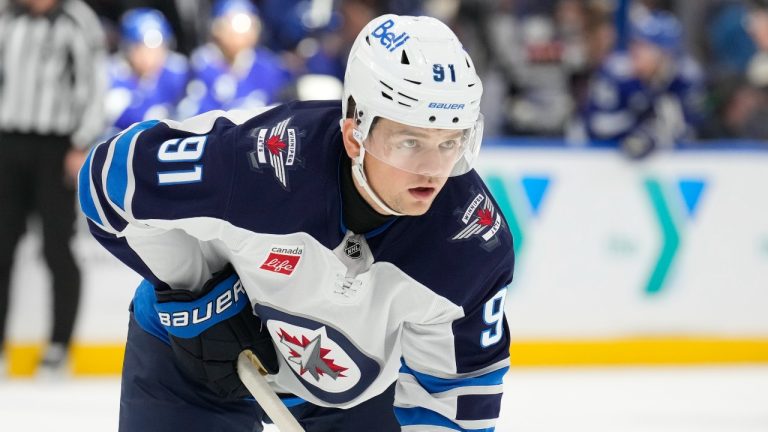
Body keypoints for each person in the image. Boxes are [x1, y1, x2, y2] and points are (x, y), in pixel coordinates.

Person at [79, 13, 513, 432]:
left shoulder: (471, 240)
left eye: (450, 141)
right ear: (353, 135)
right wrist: (196, 293)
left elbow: (458, 394)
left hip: (351, 394)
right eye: (409, 141)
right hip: (188, 364)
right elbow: (107, 179)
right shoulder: (258, 164)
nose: (432, 170)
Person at [0, 0, 106, 376]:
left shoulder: (76, 19)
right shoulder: (6, 15)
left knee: (57, 247)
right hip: (8, 142)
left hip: (56, 147)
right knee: (1, 246)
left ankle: (59, 345)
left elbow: (95, 84)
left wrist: (81, 142)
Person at [582, 11, 705, 158]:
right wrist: (639, 125)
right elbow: (598, 125)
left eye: (643, 46)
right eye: (634, 43)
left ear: (665, 52)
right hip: (599, 155)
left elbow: (693, 128)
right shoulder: (616, 73)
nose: (634, 51)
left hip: (667, 162)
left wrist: (655, 134)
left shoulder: (686, 77)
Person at [177, 0, 292, 118]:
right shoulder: (200, 66)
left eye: (247, 25)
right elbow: (191, 113)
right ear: (217, 29)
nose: (240, 33)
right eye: (234, 24)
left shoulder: (269, 66)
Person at [105, 8, 189, 136]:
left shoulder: (176, 70)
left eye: (158, 47)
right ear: (128, 48)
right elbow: (130, 119)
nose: (152, 55)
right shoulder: (112, 75)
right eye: (143, 48)